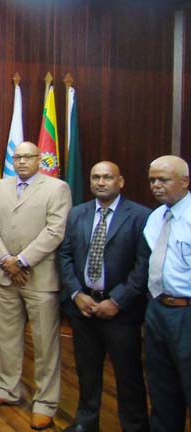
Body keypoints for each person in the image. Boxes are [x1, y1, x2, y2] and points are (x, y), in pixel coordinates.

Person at [0, 141, 71, 431]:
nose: (21, 162)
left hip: (39, 278)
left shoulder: (57, 188)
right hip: (2, 275)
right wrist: (7, 259)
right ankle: (7, 389)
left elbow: (55, 231)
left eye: (27, 157)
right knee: (6, 338)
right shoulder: (0, 186)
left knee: (45, 345)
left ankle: (45, 403)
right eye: (17, 157)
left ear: (39, 159)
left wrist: (23, 261)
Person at [57, 161, 150, 432]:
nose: (100, 182)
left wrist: (117, 300)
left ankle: (134, 426)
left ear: (120, 182)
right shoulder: (77, 214)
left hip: (121, 311)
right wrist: (76, 294)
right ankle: (86, 422)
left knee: (128, 374)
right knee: (87, 371)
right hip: (84, 306)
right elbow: (64, 256)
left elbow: (143, 266)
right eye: (95, 177)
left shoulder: (140, 216)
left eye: (107, 177)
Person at [143, 155, 191, 431]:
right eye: (152, 180)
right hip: (158, 310)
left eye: (164, 180)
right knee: (161, 387)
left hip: (186, 313)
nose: (156, 186)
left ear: (184, 181)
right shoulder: (155, 217)